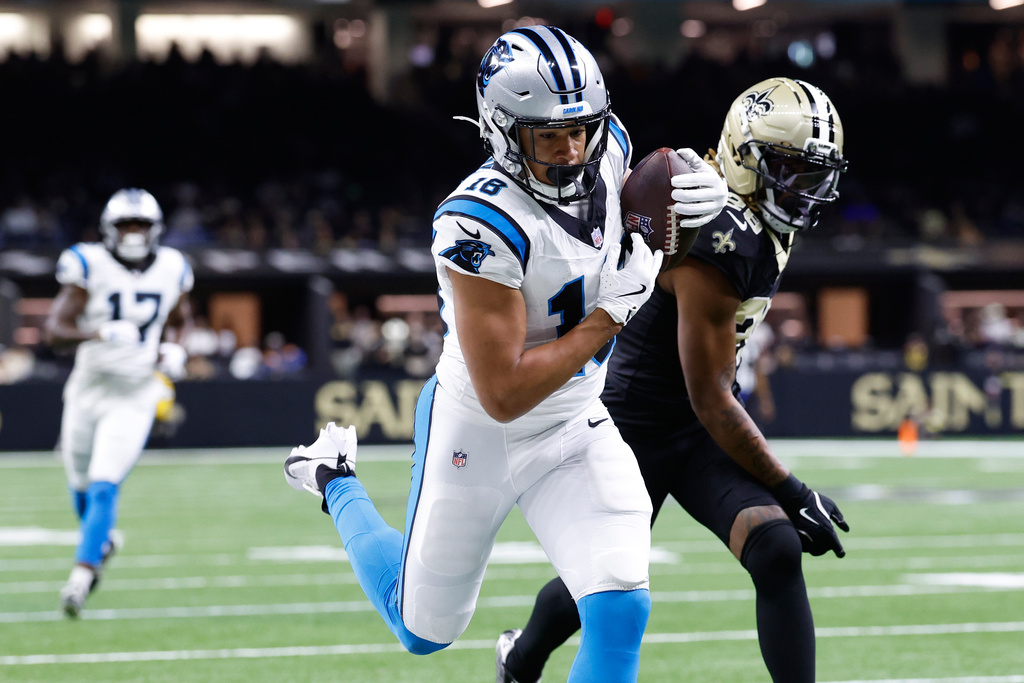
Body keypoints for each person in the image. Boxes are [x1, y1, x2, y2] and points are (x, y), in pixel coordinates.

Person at [282, 26, 726, 683]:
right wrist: (611, 314)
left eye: (581, 129)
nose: (572, 149)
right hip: (480, 429)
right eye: (549, 136)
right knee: (423, 630)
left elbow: (648, 195)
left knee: (620, 603)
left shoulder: (608, 148)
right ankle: (334, 476)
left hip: (574, 422)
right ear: (502, 132)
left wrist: (703, 187)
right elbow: (505, 392)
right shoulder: (478, 223)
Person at [496, 77, 851, 683]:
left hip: (696, 423)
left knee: (775, 548)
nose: (802, 190)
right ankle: (522, 656)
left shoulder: (754, 218)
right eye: (788, 170)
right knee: (604, 582)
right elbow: (710, 397)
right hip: (637, 425)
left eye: (814, 174)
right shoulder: (716, 231)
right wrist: (794, 491)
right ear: (742, 156)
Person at [44, 188, 194, 618]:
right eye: (125, 224)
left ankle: (81, 576)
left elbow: (180, 319)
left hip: (135, 392)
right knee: (80, 485)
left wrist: (175, 347)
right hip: (88, 388)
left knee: (104, 483)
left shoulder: (173, 266)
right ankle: (102, 541)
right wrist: (99, 332)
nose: (132, 233)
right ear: (108, 229)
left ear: (155, 230)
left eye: (140, 225)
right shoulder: (88, 263)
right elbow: (54, 332)